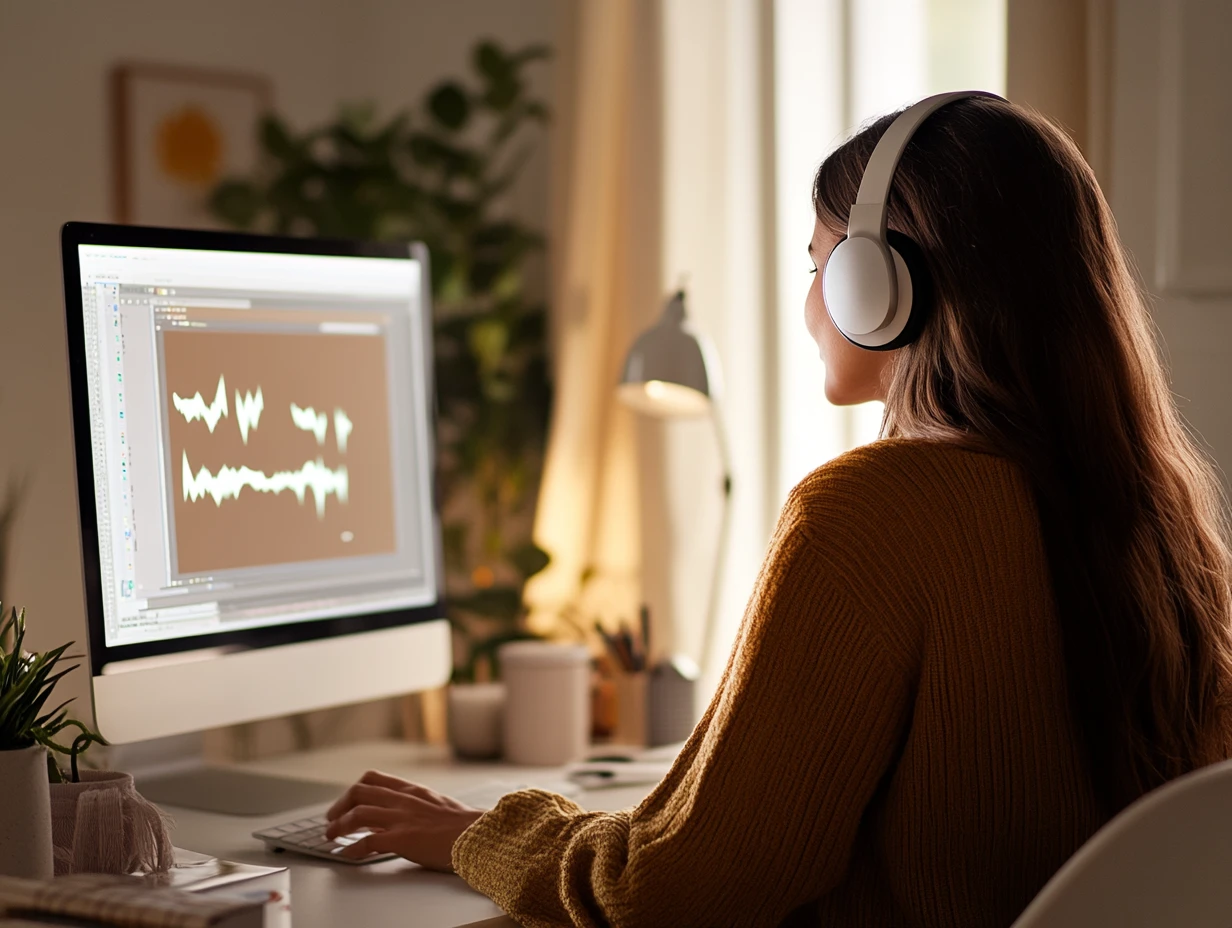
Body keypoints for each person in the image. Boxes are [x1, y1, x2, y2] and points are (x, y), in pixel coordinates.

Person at [323, 95, 1232, 927]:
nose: (808, 304)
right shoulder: (1161, 520)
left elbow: (675, 891)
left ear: (878, 285)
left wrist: (478, 835)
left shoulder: (874, 511)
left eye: (818, 263)